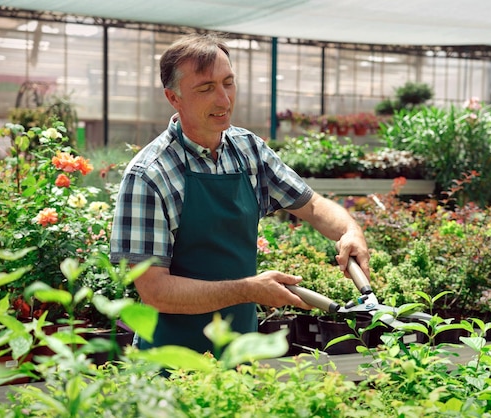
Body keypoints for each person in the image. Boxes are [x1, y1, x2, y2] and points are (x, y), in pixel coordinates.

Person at [109, 33, 370, 354]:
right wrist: (247, 289)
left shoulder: (248, 150)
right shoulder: (150, 174)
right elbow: (155, 291)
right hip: (171, 358)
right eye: (206, 88)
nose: (224, 99)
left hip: (240, 350)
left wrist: (349, 231)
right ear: (173, 98)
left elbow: (312, 206)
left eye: (228, 83)